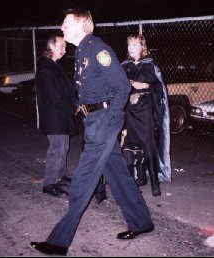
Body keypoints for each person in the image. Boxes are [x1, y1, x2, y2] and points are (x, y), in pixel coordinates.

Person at [30, 8, 154, 256]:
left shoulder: (98, 49)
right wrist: (80, 106)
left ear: (82, 26)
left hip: (103, 122)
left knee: (83, 180)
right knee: (119, 175)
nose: (62, 27)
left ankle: (58, 241)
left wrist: (110, 116)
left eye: (66, 23)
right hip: (94, 119)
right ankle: (142, 222)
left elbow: (121, 86)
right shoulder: (81, 51)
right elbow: (89, 86)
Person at [122, 34, 171, 197]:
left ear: (143, 46)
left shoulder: (150, 64)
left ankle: (155, 184)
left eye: (134, 44)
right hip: (129, 110)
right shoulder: (124, 65)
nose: (131, 48)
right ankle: (140, 178)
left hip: (145, 111)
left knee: (148, 145)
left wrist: (145, 85)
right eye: (129, 44)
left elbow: (160, 87)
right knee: (131, 146)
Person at [35, 35, 78, 197]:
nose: (65, 50)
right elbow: (54, 96)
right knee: (56, 149)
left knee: (64, 147)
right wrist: (73, 108)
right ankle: (49, 183)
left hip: (61, 114)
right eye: (62, 46)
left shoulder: (55, 65)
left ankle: (60, 175)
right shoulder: (45, 68)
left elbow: (67, 87)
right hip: (54, 115)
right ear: (51, 47)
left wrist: (76, 100)